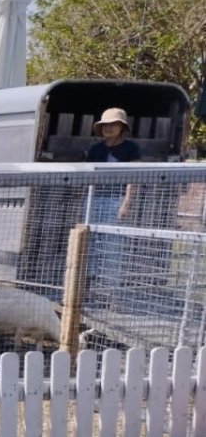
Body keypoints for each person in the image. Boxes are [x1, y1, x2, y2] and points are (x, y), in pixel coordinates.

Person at [85, 107, 142, 298]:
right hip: (94, 199)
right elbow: (88, 176)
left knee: (112, 245)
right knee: (89, 243)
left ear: (121, 127)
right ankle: (87, 288)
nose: (108, 128)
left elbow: (134, 177)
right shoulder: (95, 149)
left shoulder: (130, 148)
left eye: (113, 124)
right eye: (105, 125)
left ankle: (111, 293)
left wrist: (126, 203)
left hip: (114, 200)